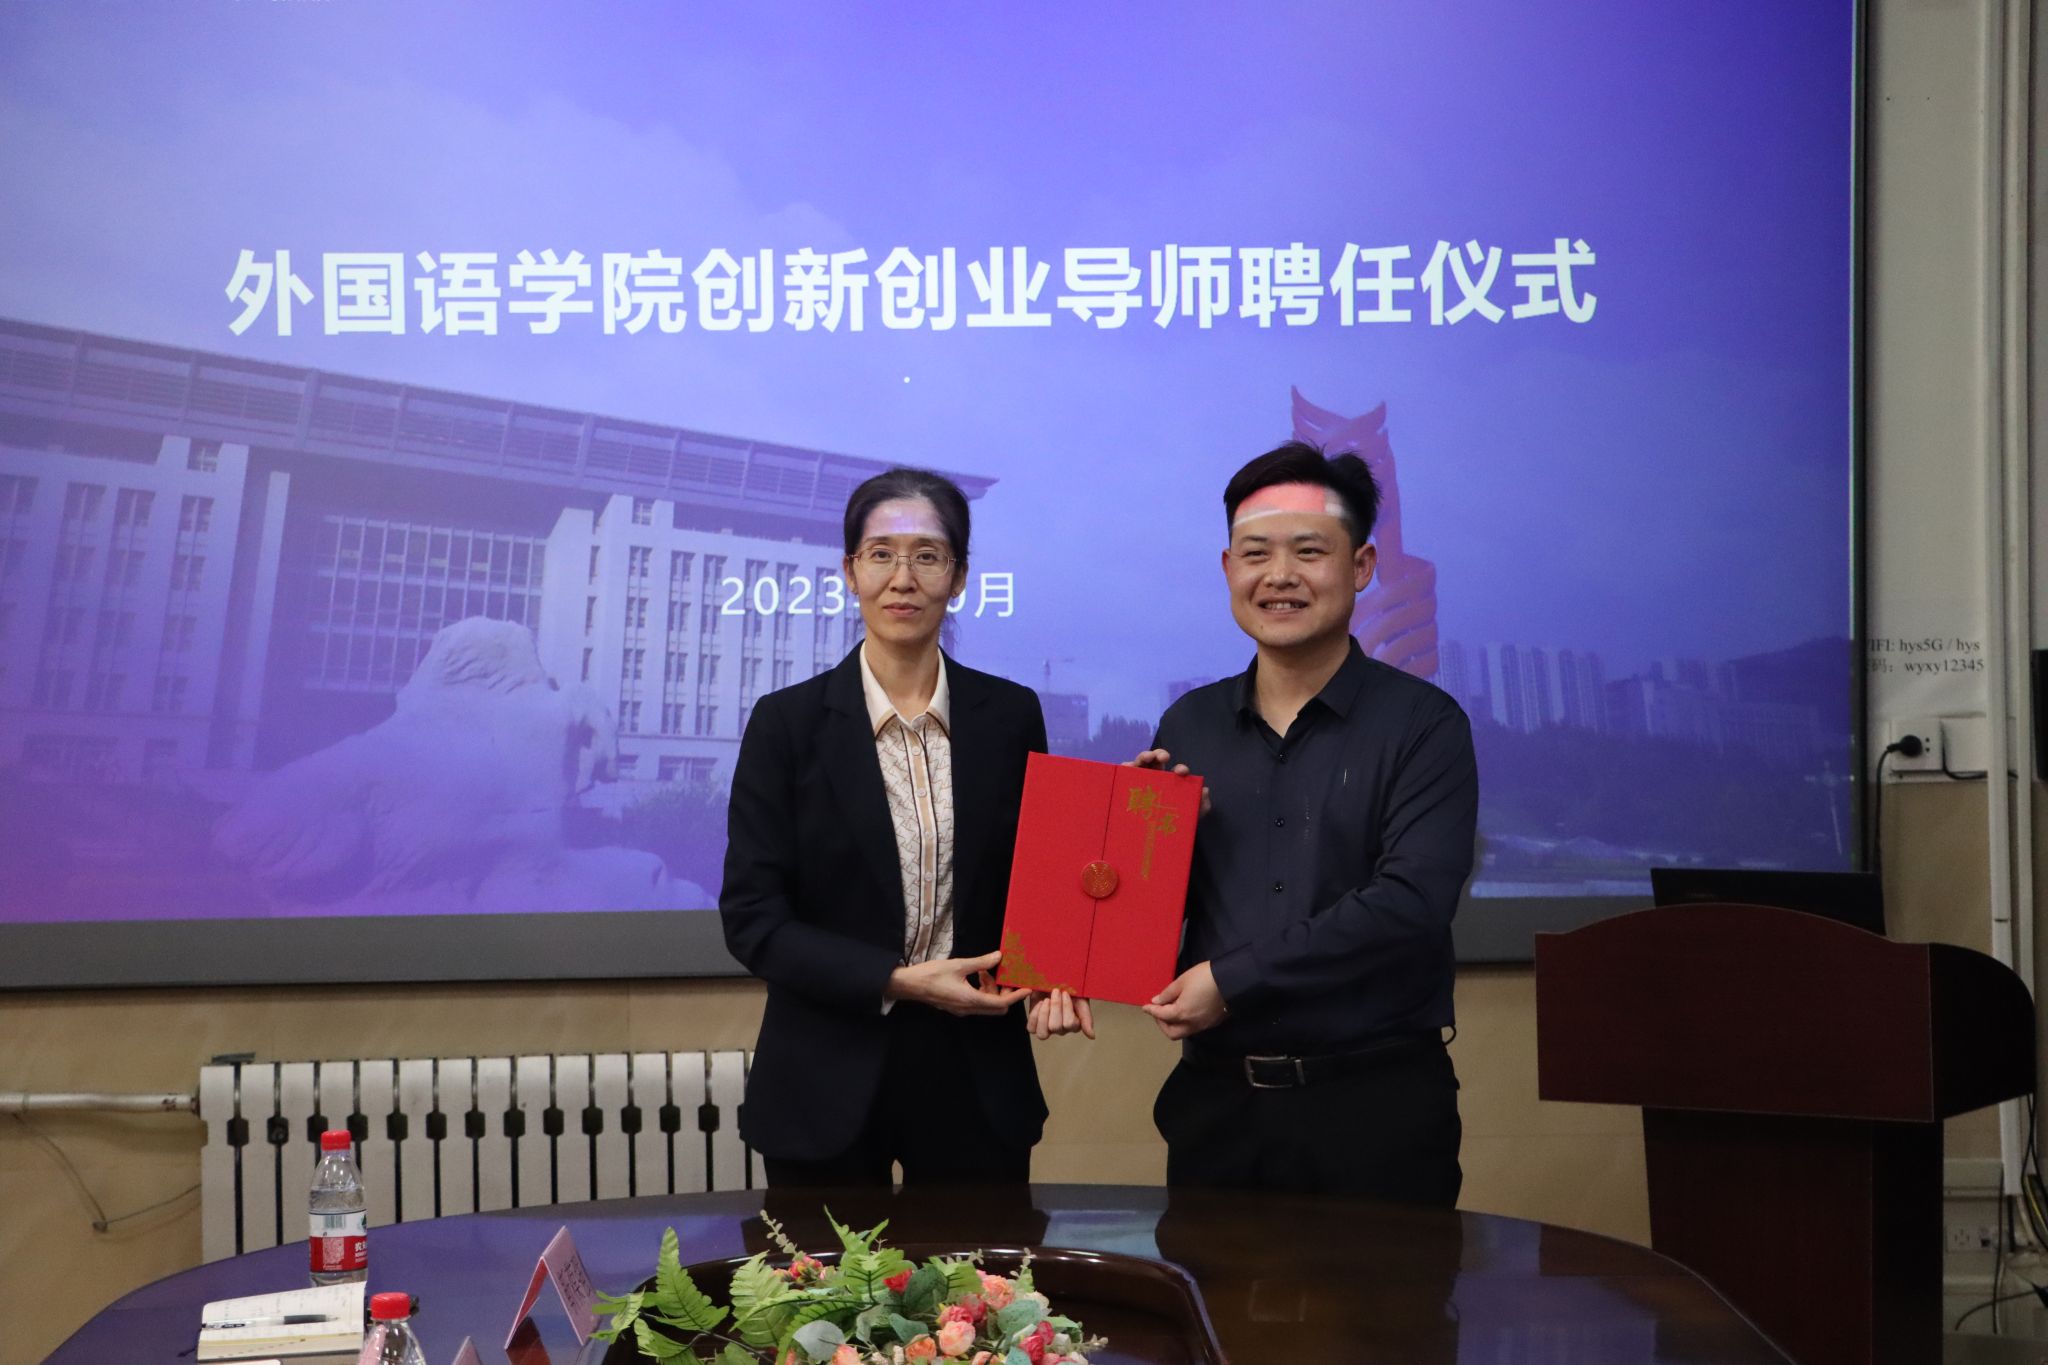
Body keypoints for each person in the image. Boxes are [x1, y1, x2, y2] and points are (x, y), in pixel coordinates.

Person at [1135, 439, 1478, 1205]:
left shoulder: (1424, 724)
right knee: (1206, 1288)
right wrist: (1134, 840)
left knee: (1390, 1291)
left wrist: (1231, 979)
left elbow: (1412, 903)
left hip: (1377, 1111)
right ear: (1228, 568)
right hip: (1217, 1111)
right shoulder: (1188, 725)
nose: (1279, 575)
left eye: (1308, 551)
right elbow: (1158, 908)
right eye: (1256, 553)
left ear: (1361, 565)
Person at [720, 467, 1081, 1188]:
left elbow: (1039, 879)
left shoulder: (1011, 716)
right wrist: (897, 980)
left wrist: (1122, 820)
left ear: (960, 576)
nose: (903, 578)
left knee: (980, 1267)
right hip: (823, 1077)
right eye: (881, 554)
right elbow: (753, 919)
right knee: (819, 1271)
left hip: (977, 1077)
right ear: (850, 571)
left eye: (927, 555)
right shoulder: (786, 723)